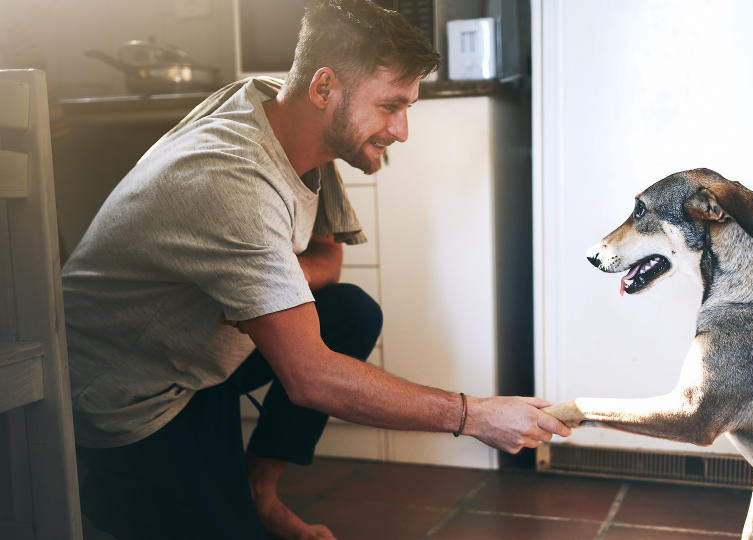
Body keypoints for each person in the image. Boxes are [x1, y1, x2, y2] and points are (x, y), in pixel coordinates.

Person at [62, 1, 571, 539]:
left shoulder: (288, 115)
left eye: (408, 108)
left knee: (349, 312)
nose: (401, 131)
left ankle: (260, 493)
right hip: (131, 398)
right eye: (390, 106)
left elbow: (328, 258)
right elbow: (311, 378)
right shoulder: (232, 182)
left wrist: (275, 287)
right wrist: (477, 415)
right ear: (324, 88)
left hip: (193, 353)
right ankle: (117, 497)